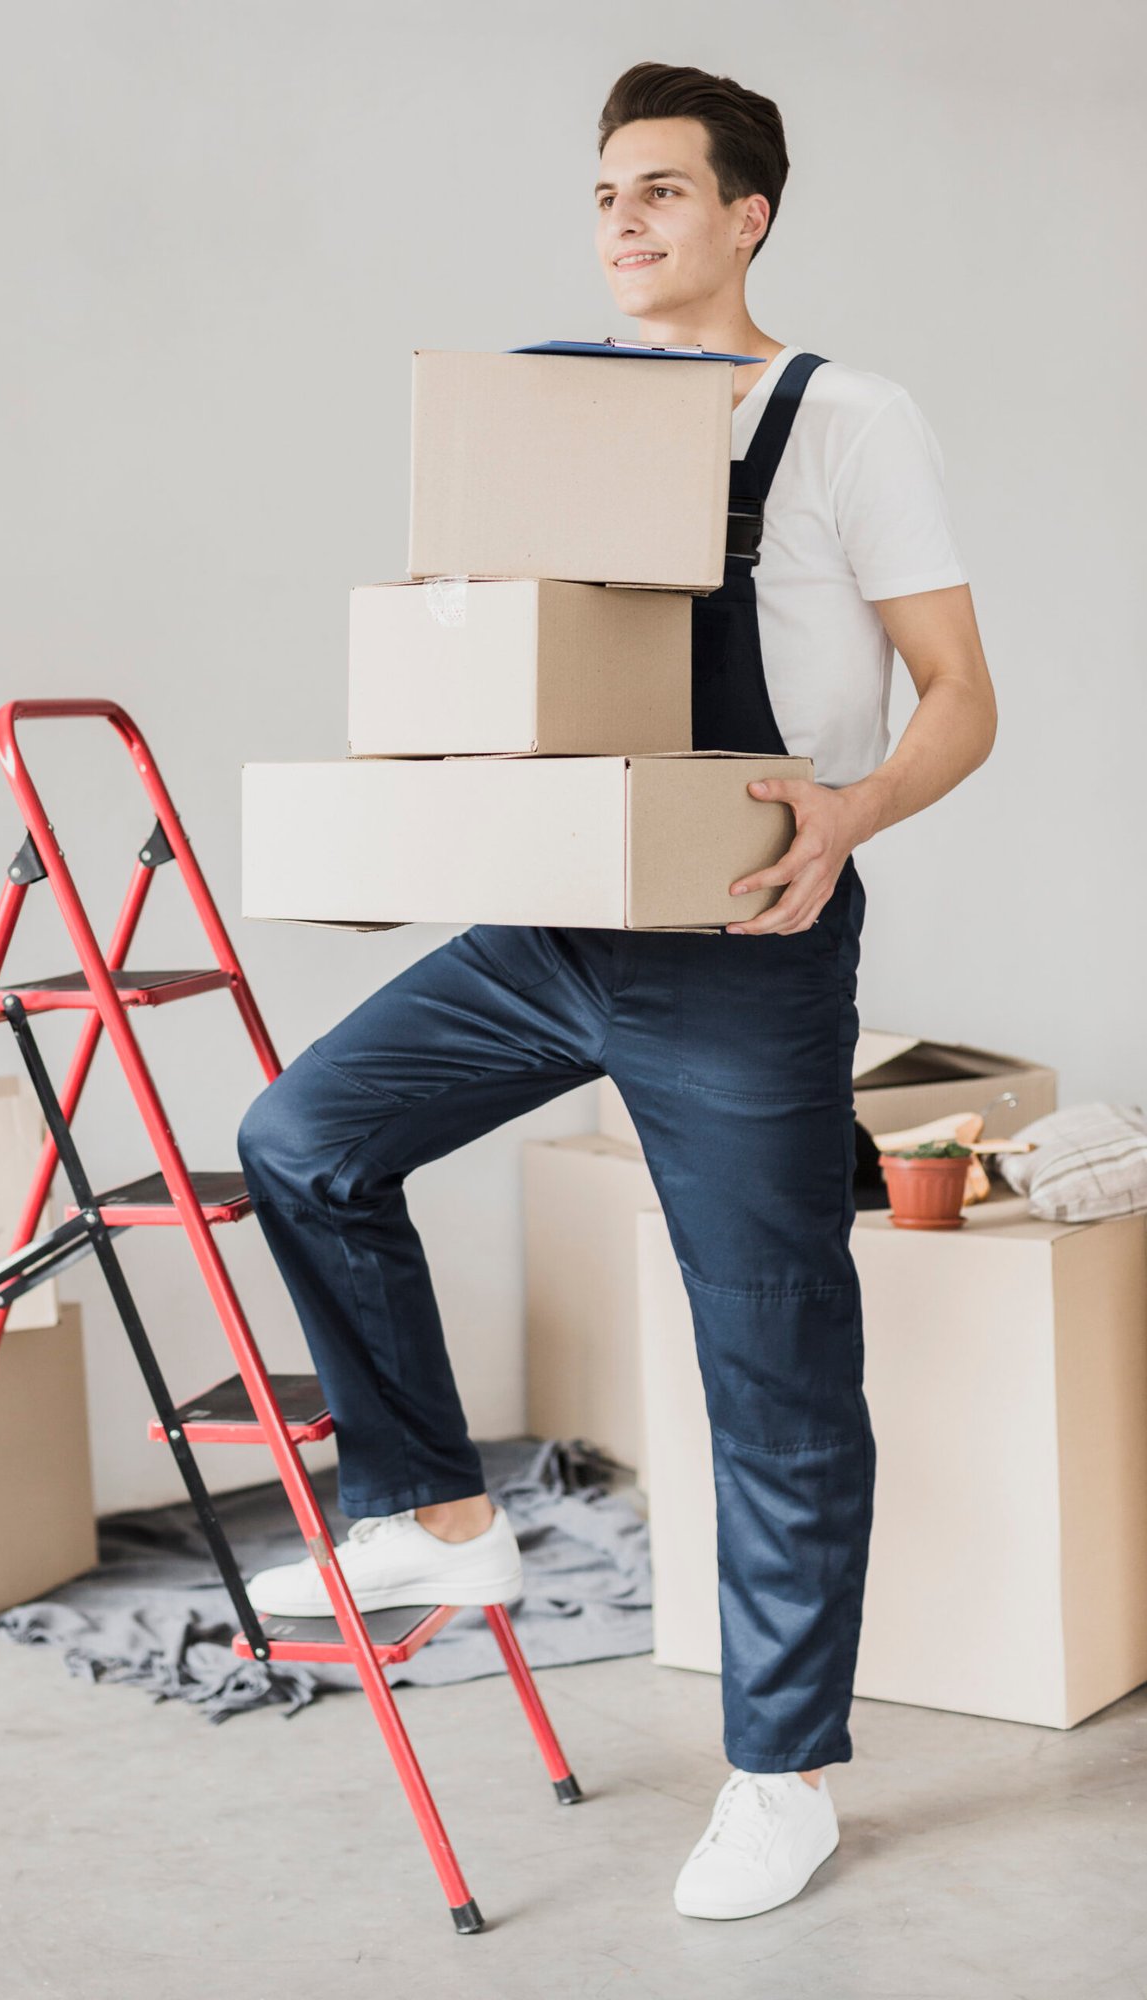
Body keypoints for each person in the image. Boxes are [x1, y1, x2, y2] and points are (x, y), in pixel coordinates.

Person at [234, 59, 997, 1921]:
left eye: (665, 190)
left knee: (772, 1354)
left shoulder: (847, 419)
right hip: (554, 921)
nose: (628, 222)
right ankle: (438, 1514)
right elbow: (495, 659)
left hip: (742, 939)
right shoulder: (544, 411)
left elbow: (963, 698)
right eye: (605, 196)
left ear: (750, 215)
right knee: (305, 1135)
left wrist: (852, 810)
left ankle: (782, 1772)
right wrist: (412, 813)